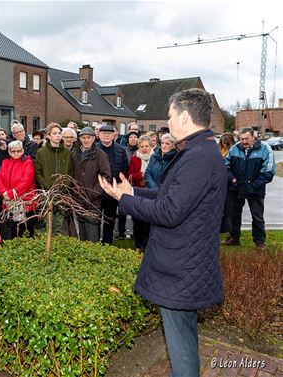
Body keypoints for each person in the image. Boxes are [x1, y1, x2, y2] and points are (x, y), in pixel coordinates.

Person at [98, 88, 225, 377]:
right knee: (182, 334)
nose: (168, 122)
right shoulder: (200, 150)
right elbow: (171, 196)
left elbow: (169, 213)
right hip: (186, 264)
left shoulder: (198, 157)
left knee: (179, 340)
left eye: (169, 116)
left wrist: (124, 200)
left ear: (183, 115)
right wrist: (134, 192)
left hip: (181, 267)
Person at [224, 127, 275, 251]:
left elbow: (269, 172)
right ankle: (234, 238)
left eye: (247, 138)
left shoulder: (265, 148)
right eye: (241, 139)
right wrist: (232, 178)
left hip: (255, 190)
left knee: (257, 217)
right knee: (234, 215)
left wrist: (252, 185)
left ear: (253, 136)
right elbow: (225, 165)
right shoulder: (235, 148)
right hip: (236, 188)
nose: (244, 141)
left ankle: (259, 242)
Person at [72, 127, 111, 243]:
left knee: (92, 234)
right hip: (77, 200)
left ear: (94, 138)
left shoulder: (100, 155)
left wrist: (93, 194)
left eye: (89, 137)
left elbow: (106, 177)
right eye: (83, 138)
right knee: (81, 235)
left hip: (92, 201)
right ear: (79, 139)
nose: (86, 140)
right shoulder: (74, 154)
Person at [35, 122, 73, 235]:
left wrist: (63, 187)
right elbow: (38, 173)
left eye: (59, 133)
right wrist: (47, 186)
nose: (58, 135)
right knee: (45, 225)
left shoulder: (67, 153)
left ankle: (57, 250)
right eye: (54, 133)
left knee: (58, 226)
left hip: (61, 194)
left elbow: (70, 173)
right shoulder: (41, 152)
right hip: (46, 194)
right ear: (48, 135)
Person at [0, 140, 37, 239]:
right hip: (9, 202)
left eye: (19, 151)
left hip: (24, 202)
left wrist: (9, 194)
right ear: (9, 152)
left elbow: (26, 182)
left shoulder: (28, 162)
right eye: (13, 151)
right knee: (11, 229)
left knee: (24, 230)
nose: (16, 153)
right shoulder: (5, 162)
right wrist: (3, 193)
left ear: (22, 150)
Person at [96, 125, 129, 245]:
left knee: (110, 219)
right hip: (97, 191)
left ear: (114, 135)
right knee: (96, 219)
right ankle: (95, 242)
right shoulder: (94, 149)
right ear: (98, 135)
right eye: (103, 133)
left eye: (109, 133)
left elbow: (124, 170)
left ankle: (107, 243)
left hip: (113, 191)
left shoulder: (121, 150)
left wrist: (118, 187)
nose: (106, 135)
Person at [128, 135, 154, 252]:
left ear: (151, 146)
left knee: (148, 222)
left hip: (151, 193)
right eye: (142, 146)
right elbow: (130, 176)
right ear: (138, 147)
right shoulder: (134, 159)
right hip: (138, 192)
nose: (144, 148)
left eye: (146, 146)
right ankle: (138, 245)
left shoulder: (155, 158)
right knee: (138, 220)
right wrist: (141, 175)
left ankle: (147, 244)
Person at [217, 133, 236, 234]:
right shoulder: (219, 150)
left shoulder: (233, 151)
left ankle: (229, 229)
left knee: (229, 207)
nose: (224, 145)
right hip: (220, 180)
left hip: (229, 181)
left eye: (226, 144)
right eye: (222, 143)